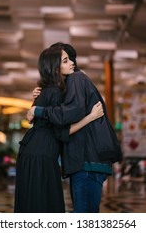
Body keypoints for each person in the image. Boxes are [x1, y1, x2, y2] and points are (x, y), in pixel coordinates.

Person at [27, 42, 122, 213]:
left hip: (87, 161)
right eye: (65, 60)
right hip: (86, 161)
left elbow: (70, 112)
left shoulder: (76, 79)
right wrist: (41, 97)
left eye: (69, 59)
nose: (71, 62)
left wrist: (38, 109)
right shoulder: (72, 83)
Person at [14, 46, 104, 213]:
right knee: (45, 208)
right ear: (55, 67)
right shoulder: (56, 92)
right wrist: (91, 117)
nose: (72, 63)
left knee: (32, 205)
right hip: (42, 155)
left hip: (33, 152)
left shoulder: (49, 90)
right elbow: (61, 131)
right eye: (65, 60)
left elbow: (31, 117)